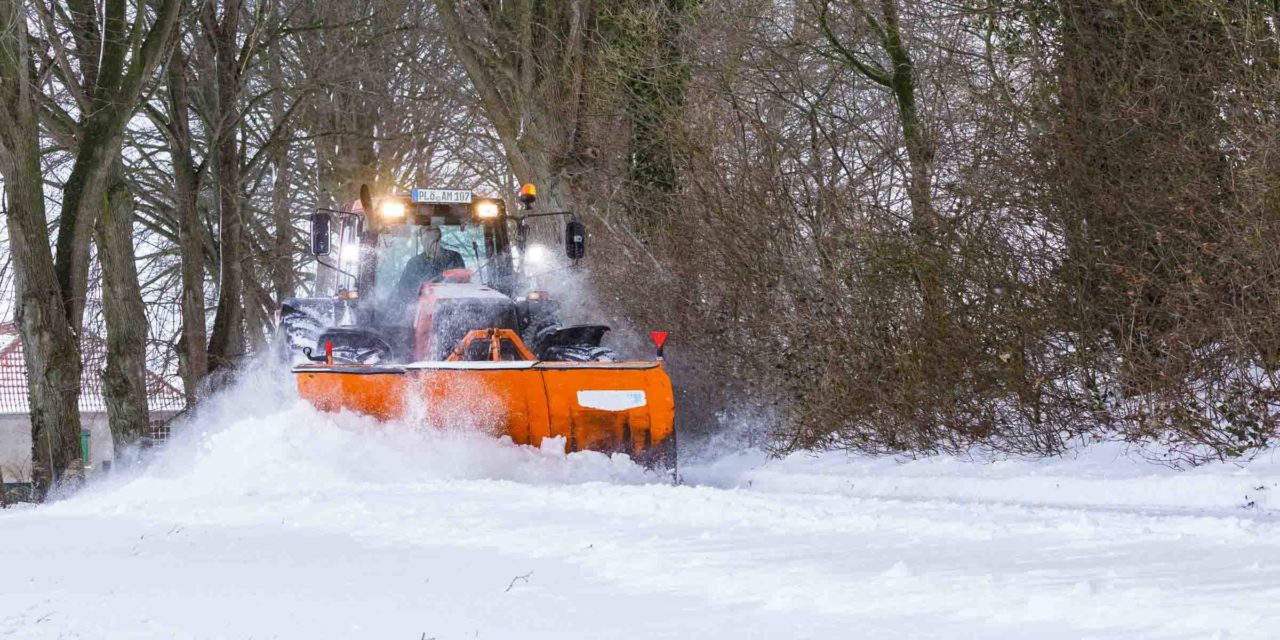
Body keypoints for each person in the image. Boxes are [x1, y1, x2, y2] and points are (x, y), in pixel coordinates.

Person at [391, 226, 466, 307]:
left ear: (439, 241)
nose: (430, 243)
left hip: (451, 308)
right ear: (422, 242)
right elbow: (403, 290)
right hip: (420, 308)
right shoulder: (414, 263)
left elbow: (463, 284)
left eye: (433, 240)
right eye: (426, 240)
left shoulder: (453, 258)